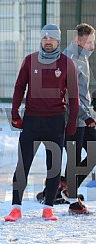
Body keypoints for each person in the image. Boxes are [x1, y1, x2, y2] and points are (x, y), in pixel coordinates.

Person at [4, 24, 79, 222]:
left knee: (53, 166)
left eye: (51, 39)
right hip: (32, 121)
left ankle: (48, 208)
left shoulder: (66, 63)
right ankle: (15, 208)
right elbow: (19, 87)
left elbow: (74, 98)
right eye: (44, 38)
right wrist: (14, 113)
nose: (47, 41)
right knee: (23, 164)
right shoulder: (30, 60)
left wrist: (71, 123)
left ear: (58, 41)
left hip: (55, 122)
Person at [62, 23, 96, 214]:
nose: (93, 46)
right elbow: (69, 95)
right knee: (74, 157)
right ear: (78, 40)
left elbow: (82, 91)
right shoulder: (71, 60)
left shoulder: (83, 57)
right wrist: (85, 116)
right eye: (90, 42)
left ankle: (64, 185)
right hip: (74, 117)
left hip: (85, 115)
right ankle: (72, 196)